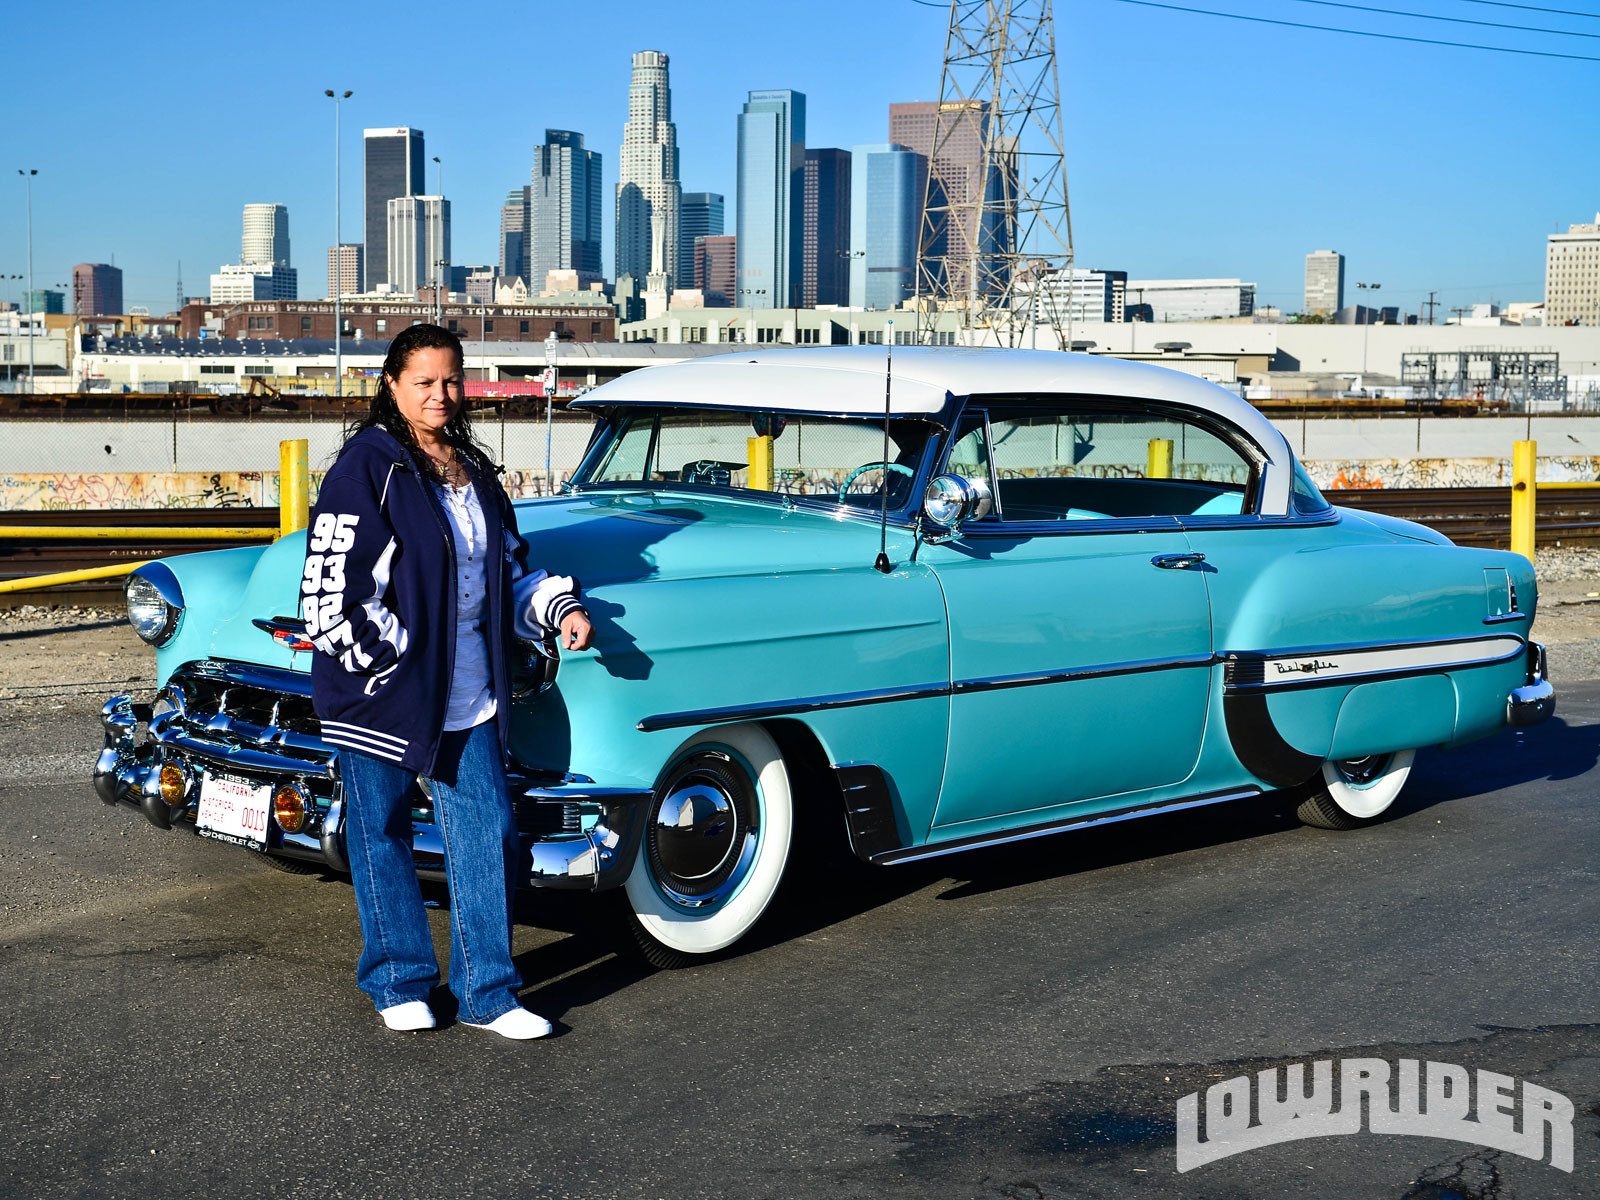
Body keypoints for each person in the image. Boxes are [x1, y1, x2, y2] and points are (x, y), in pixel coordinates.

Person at [300, 323, 592, 1039]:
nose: (440, 395)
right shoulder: (367, 467)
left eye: (451, 380)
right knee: (382, 831)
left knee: (488, 832)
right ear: (393, 385)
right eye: (424, 382)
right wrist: (395, 661)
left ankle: (489, 992)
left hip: (469, 692)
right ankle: (399, 978)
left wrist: (559, 608)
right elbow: (326, 596)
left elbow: (509, 571)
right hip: (385, 693)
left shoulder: (472, 470)